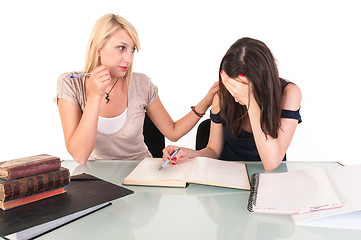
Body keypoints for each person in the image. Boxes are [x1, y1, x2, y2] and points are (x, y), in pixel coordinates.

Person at [55, 13, 218, 165]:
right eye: (121, 48)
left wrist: (206, 101)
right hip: (96, 179)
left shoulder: (141, 84)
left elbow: (173, 132)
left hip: (139, 172)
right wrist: (95, 97)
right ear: (98, 48)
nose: (129, 59)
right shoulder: (70, 84)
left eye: (133, 50)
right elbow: (80, 155)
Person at [163, 37, 302, 171]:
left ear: (261, 81)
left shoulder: (289, 93)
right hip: (227, 177)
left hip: (269, 181)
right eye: (232, 87)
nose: (235, 96)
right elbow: (213, 151)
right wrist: (189, 153)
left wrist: (251, 102)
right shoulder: (223, 96)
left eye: (241, 87)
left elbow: (271, 163)